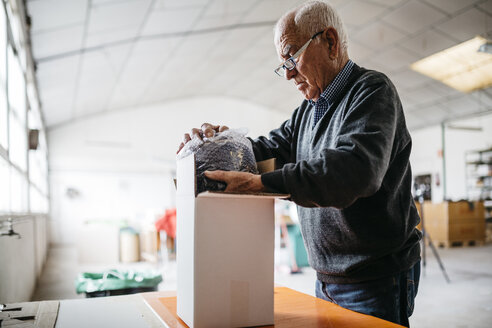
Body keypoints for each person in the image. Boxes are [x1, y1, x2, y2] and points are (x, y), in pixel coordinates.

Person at [177, 1, 421, 326]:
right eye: (284, 64)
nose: (289, 73)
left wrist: (259, 186)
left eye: (292, 56)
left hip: (375, 276)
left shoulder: (372, 92)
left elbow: (354, 170)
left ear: (330, 42)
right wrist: (211, 149)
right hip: (327, 276)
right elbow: (262, 150)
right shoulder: (307, 112)